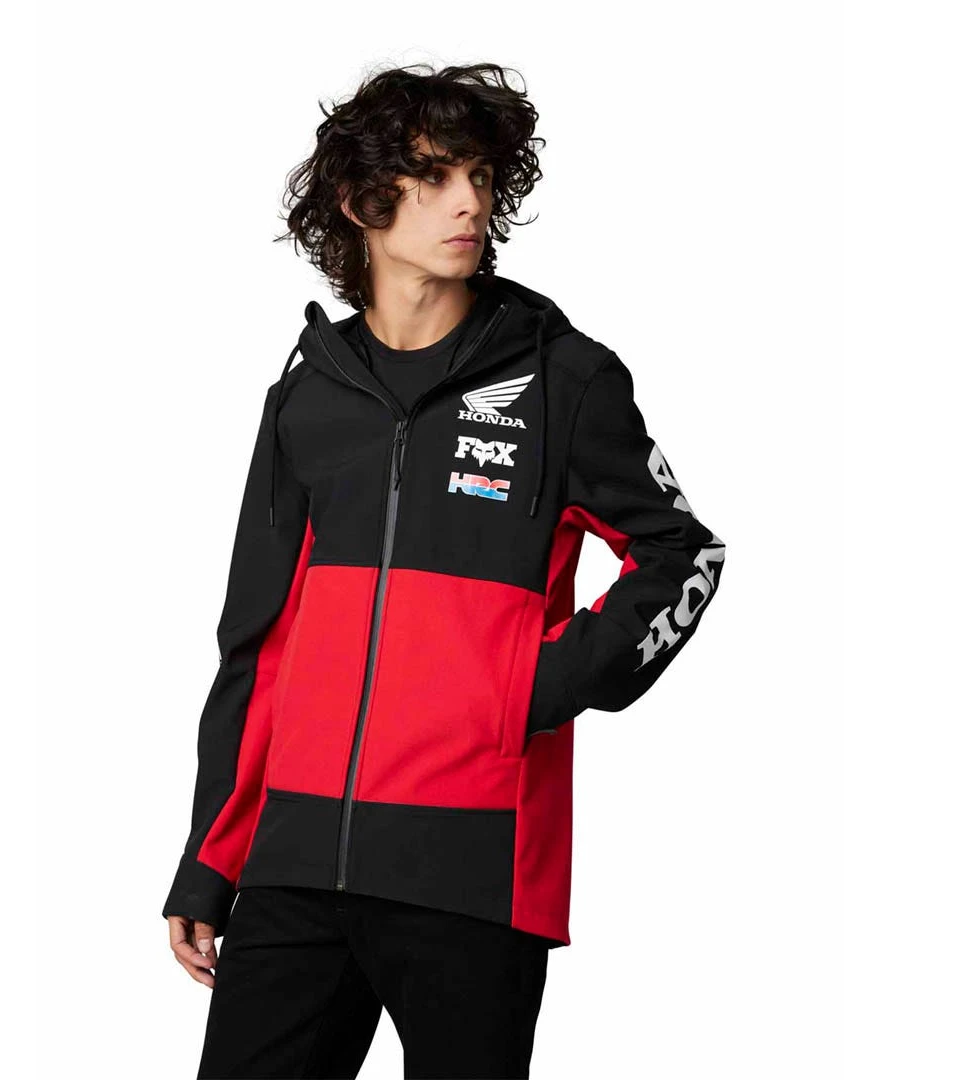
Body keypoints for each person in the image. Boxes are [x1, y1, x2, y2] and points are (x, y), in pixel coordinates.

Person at [162, 62, 727, 1079]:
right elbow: (257, 643)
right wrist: (211, 857)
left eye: (480, 176)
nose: (469, 201)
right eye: (432, 177)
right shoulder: (308, 399)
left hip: (472, 867)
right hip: (296, 863)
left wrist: (547, 681)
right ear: (359, 203)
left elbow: (682, 551)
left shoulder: (563, 380)